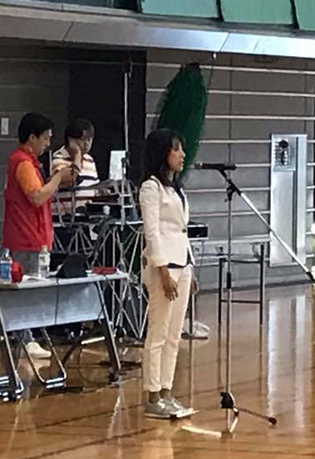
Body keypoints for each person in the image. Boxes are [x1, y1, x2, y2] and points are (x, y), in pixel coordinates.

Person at [2, 112, 75, 359]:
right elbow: (36, 196)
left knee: (36, 289)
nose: (47, 144)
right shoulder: (22, 162)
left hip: (37, 236)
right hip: (25, 237)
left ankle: (29, 335)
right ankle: (25, 338)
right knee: (27, 290)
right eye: (45, 138)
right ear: (32, 137)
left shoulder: (32, 163)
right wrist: (58, 178)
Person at [139, 129, 197, 419]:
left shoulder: (176, 189)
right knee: (158, 332)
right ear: (163, 153)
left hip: (182, 264)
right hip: (164, 267)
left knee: (174, 335)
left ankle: (166, 391)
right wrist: (162, 271)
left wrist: (190, 266)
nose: (182, 155)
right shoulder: (151, 188)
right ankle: (152, 395)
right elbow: (153, 233)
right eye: (176, 149)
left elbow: (180, 231)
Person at [52, 118, 99, 214]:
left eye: (89, 139)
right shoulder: (58, 159)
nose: (87, 143)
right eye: (83, 139)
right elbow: (71, 179)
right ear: (71, 140)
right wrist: (77, 155)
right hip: (65, 217)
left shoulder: (90, 160)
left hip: (86, 215)